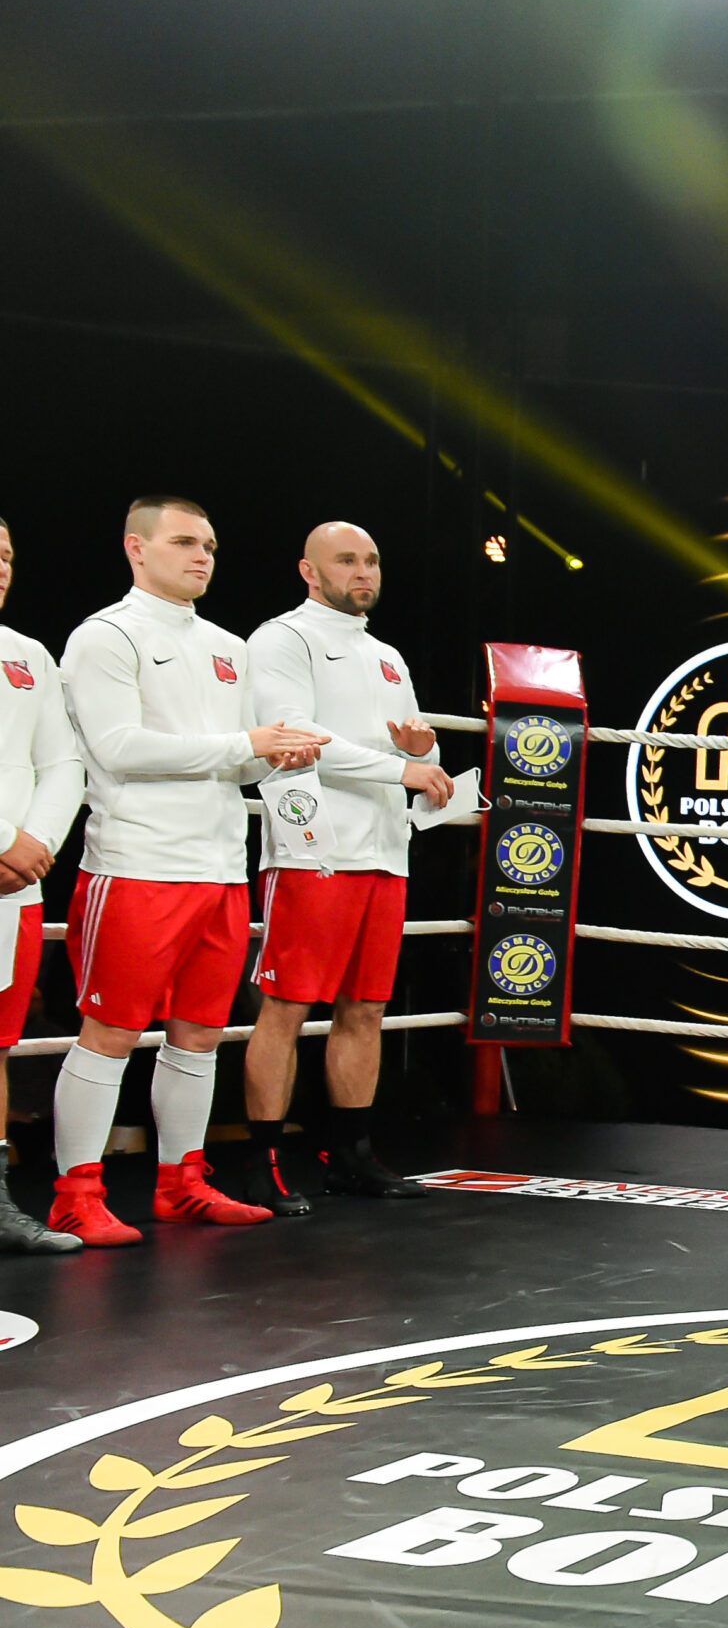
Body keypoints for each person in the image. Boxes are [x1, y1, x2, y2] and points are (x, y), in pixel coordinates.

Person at [49, 497, 327, 1244]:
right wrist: (246, 744)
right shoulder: (105, 635)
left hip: (220, 868)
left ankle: (183, 1183)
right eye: (183, 542)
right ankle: (75, 1195)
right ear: (136, 547)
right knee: (110, 1031)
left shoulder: (227, 645)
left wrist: (275, 753)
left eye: (208, 545)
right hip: (137, 863)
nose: (201, 556)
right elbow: (117, 748)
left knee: (200, 1035)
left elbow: (238, 758)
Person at [240, 521, 450, 1216]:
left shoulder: (387, 655)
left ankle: (350, 1155)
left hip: (385, 851)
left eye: (372, 560)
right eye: (347, 560)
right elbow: (295, 737)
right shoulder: (282, 638)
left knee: (366, 1008)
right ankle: (262, 1162)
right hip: (314, 849)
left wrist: (419, 754)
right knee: (287, 1007)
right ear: (309, 570)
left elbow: (415, 753)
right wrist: (403, 768)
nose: (364, 572)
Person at [0, 515, 84, 1255]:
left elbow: (62, 763)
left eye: (5, 556)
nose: (0, 567)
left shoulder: (27, 654)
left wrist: (35, 843)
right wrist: (5, 842)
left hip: (12, 887)